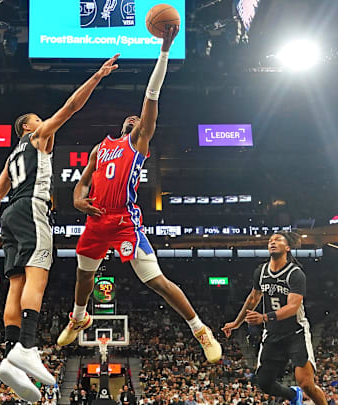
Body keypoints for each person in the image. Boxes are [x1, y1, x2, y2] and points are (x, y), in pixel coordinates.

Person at [54, 25, 222, 364]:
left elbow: (151, 96)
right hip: (97, 219)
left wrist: (164, 50)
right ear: (120, 125)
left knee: (156, 281)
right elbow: (82, 182)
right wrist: (76, 198)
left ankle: (200, 329)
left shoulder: (138, 143)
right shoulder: (101, 148)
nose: (134, 119)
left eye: (138, 119)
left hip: (125, 222)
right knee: (83, 274)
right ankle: (78, 317)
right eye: (129, 119)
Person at [0, 54, 120, 402]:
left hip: (10, 215)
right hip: (31, 209)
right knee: (37, 277)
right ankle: (27, 346)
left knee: (16, 284)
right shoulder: (38, 136)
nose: (45, 122)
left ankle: (12, 356)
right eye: (38, 120)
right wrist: (97, 76)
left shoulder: (11, 158)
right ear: (28, 127)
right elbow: (71, 107)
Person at [222, 232, 328, 405]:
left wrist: (264, 317)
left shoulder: (295, 274)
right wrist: (236, 323)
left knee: (306, 383)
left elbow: (293, 308)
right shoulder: (261, 271)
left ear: (287, 247)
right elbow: (253, 298)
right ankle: (293, 396)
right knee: (264, 383)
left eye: (278, 240)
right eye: (270, 240)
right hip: (272, 334)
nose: (272, 242)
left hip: (296, 332)